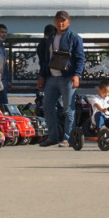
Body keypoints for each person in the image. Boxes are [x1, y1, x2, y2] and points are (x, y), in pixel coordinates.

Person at [37, 11, 85, 147]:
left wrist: (77, 75)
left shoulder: (74, 37)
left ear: (69, 22)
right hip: (51, 77)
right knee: (47, 106)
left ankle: (68, 138)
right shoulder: (51, 37)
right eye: (58, 20)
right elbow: (46, 59)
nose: (61, 23)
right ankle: (52, 137)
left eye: (63, 20)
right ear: (54, 22)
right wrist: (42, 76)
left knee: (68, 108)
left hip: (67, 78)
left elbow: (80, 58)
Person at [0, 24, 11, 104]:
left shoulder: (2, 46)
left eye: (5, 32)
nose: (4, 34)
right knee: (2, 103)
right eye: (2, 32)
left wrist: (8, 80)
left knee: (2, 102)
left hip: (4, 79)